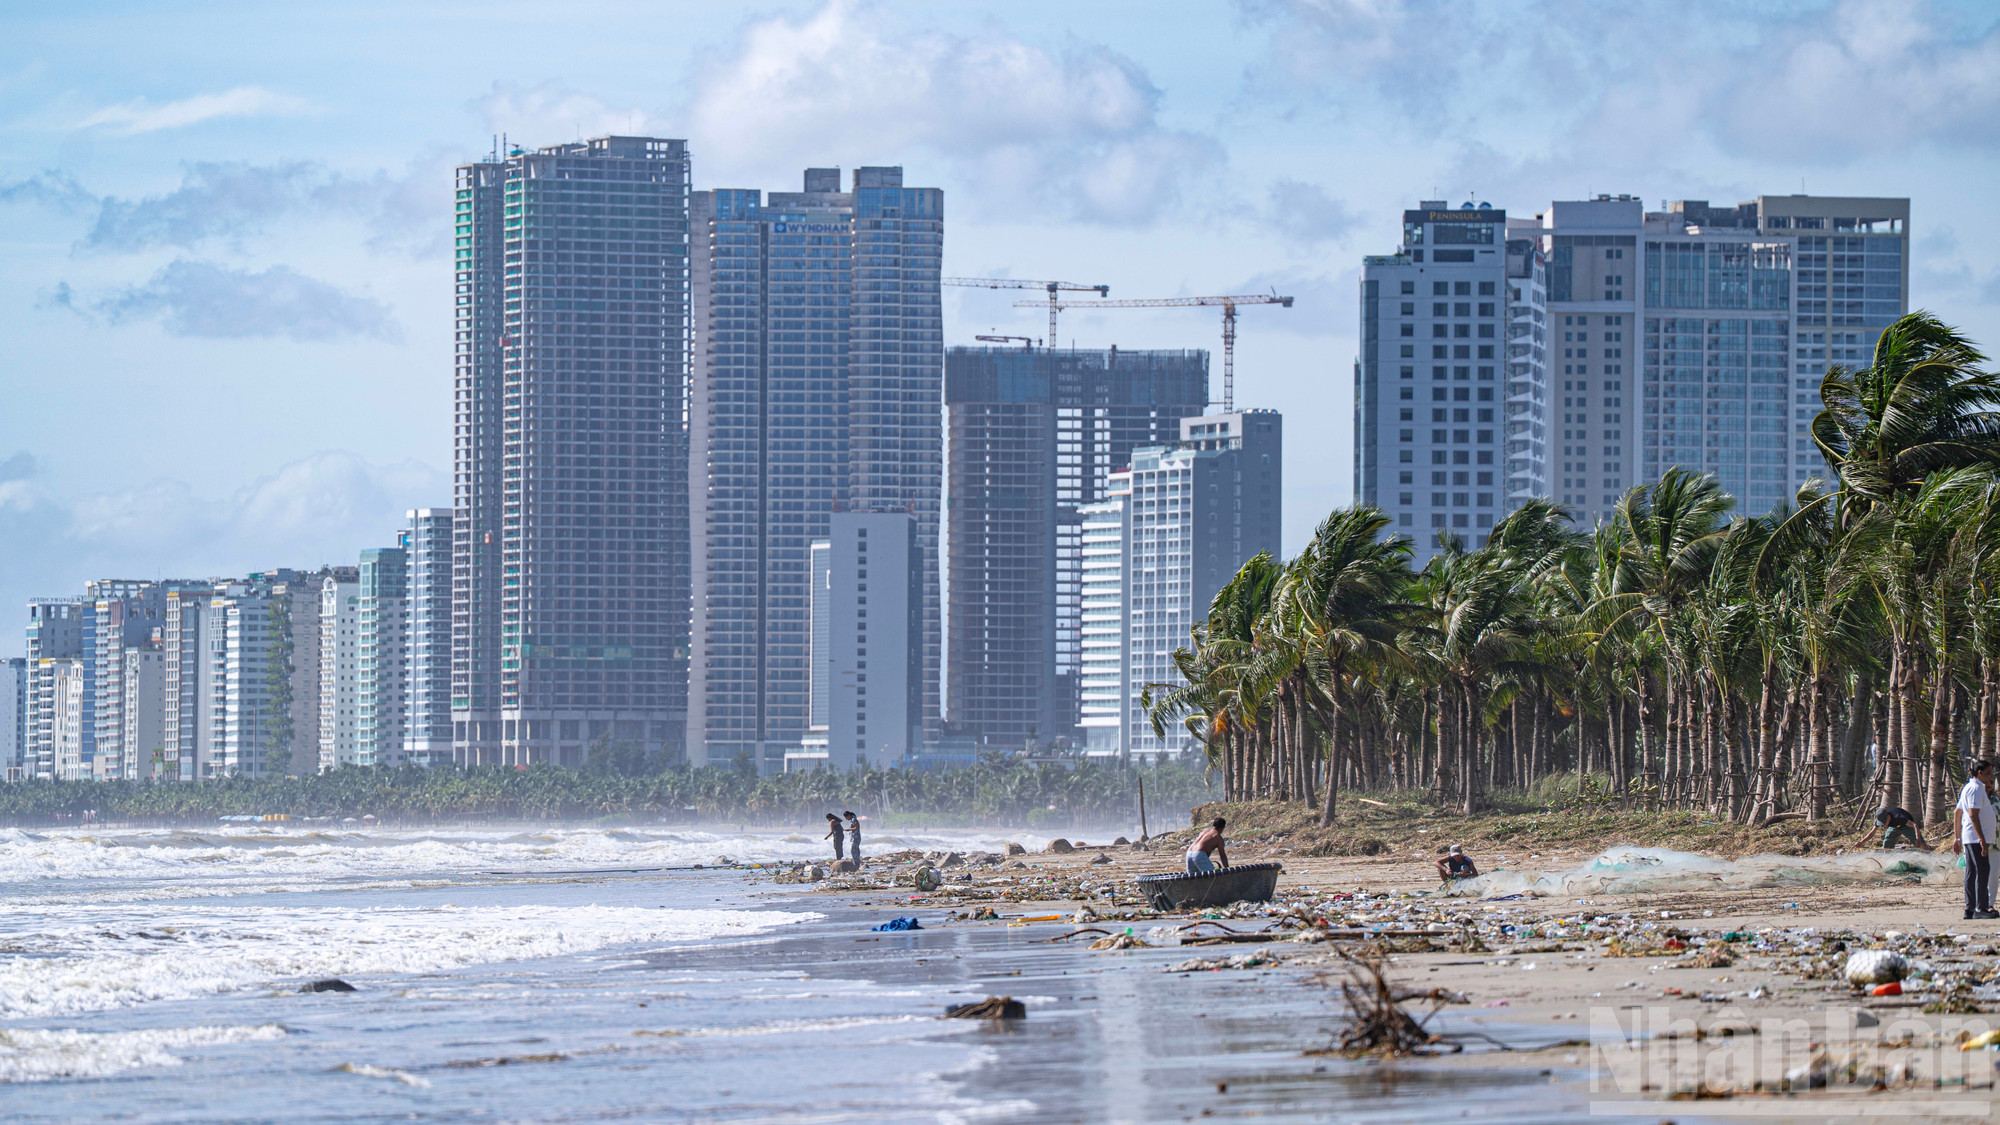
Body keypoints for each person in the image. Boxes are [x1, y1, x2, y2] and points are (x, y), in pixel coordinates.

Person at [1953, 759, 1999, 920]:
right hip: (1975, 838)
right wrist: (1982, 839)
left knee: (1972, 872)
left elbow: (1957, 813)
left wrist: (1957, 837)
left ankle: (1970, 908)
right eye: (1988, 773)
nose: (1991, 776)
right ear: (1980, 773)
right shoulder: (1976, 789)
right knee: (1983, 871)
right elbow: (1972, 814)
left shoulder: (1969, 788)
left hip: (1970, 837)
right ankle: (1980, 907)